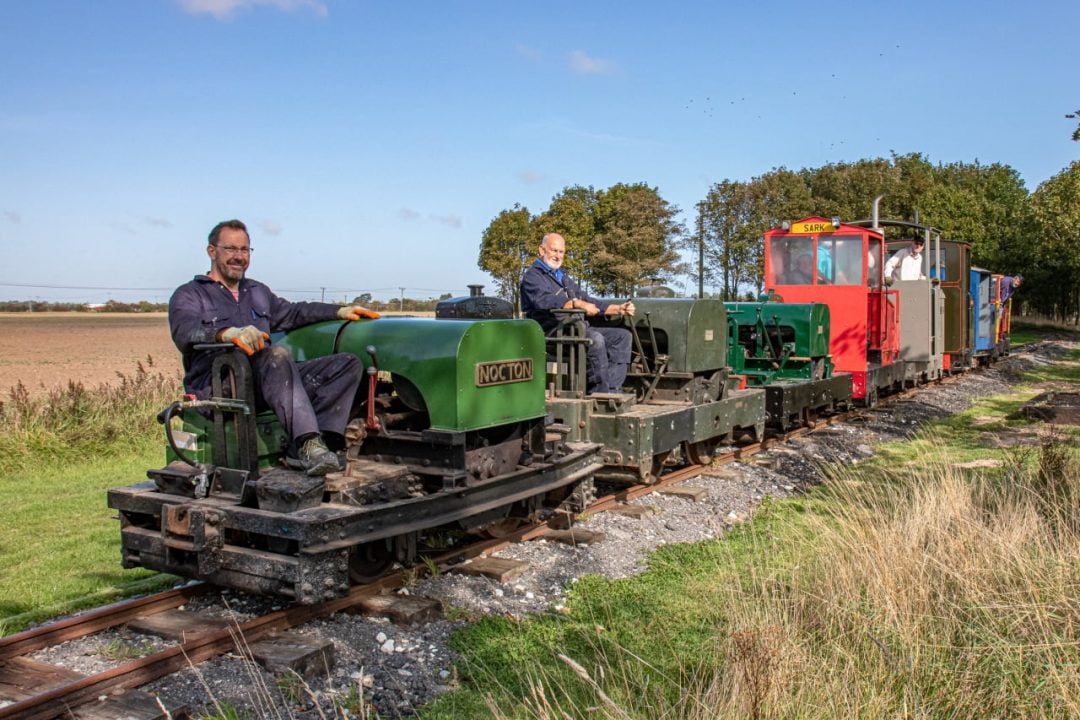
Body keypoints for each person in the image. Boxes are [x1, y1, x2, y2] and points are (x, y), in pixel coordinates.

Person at [169, 219, 380, 476]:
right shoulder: (190, 294)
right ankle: (308, 443)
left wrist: (339, 310)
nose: (239, 257)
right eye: (231, 249)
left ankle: (313, 448)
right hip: (221, 385)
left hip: (267, 379)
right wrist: (227, 333)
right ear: (212, 251)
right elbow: (184, 331)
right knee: (276, 355)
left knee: (347, 364)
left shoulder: (257, 292)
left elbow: (294, 312)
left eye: (244, 250)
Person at [520, 232, 635, 394]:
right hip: (552, 331)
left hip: (575, 327)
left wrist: (619, 309)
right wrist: (576, 303)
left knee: (622, 336)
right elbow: (544, 301)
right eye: (554, 250)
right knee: (595, 339)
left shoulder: (563, 277)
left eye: (561, 252)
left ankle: (613, 390)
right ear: (542, 250)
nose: (557, 255)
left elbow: (587, 299)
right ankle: (599, 393)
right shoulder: (533, 277)